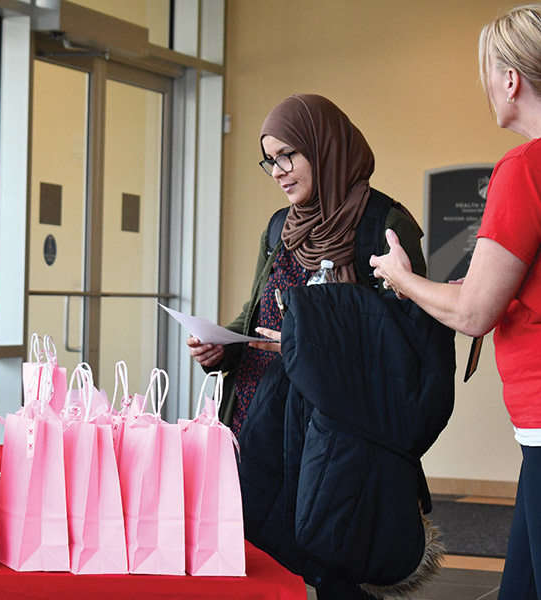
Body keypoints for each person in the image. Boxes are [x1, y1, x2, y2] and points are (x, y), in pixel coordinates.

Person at [371, 5, 541, 597]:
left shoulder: (523, 168)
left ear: (512, 78)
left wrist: (401, 276)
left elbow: (474, 311)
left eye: (487, 73)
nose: (486, 87)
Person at [188, 93, 427, 437]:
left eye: (286, 156)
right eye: (270, 161)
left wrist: (310, 344)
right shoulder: (279, 227)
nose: (276, 173)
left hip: (334, 429)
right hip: (256, 417)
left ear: (324, 149)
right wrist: (221, 347)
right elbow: (258, 315)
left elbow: (406, 342)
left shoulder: (383, 226)